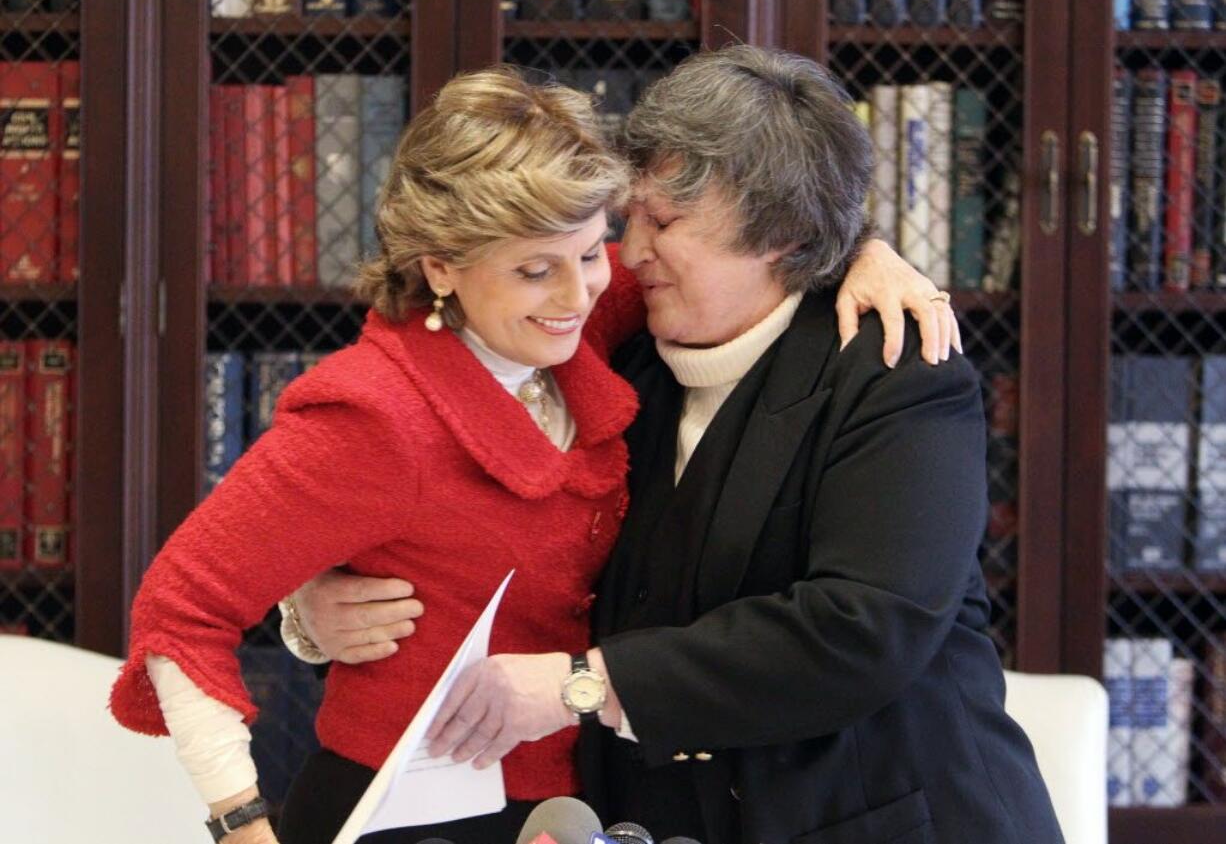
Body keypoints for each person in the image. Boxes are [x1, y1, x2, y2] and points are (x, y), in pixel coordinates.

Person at [108, 63, 954, 844]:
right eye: (536, 270)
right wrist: (243, 817)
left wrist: (869, 251)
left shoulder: (605, 317)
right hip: (403, 805)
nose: (583, 289)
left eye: (595, 249)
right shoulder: (374, 410)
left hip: (567, 805)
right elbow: (184, 605)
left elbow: (779, 239)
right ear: (442, 267)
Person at [310, 46, 1062, 844]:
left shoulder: (895, 370)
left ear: (778, 233)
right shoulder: (614, 356)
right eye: (628, 217)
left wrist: (582, 684)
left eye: (662, 223)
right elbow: (457, 509)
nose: (626, 254)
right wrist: (316, 596)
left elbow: (861, 626)